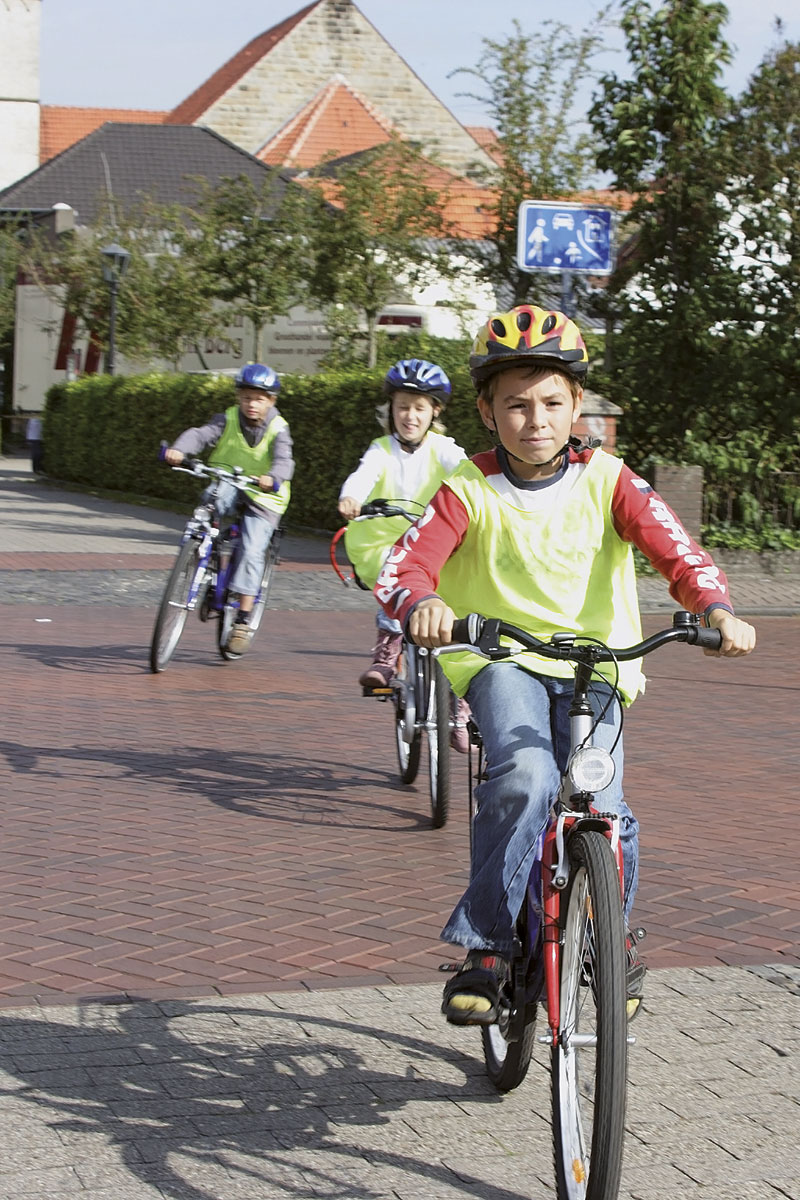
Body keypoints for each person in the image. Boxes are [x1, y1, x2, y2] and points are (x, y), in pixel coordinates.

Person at [375, 305, 756, 1025]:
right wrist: (419, 601)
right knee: (524, 776)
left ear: (576, 404)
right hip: (502, 658)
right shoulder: (467, 487)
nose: (535, 419)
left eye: (551, 402)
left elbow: (677, 552)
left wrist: (716, 609)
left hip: (600, 664)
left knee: (603, 805)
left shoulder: (609, 479)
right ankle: (486, 946)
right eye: (515, 405)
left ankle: (606, 940)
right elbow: (406, 562)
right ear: (487, 413)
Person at [338, 358, 470, 750]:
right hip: (384, 542)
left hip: (433, 542)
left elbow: (466, 472)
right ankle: (386, 654)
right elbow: (363, 473)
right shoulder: (381, 449)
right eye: (402, 407)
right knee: (392, 574)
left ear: (435, 412)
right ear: (390, 410)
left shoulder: (444, 448)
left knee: (460, 606)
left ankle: (460, 706)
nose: (410, 416)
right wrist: (352, 497)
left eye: (419, 408)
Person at [164, 363, 293, 655]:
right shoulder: (228, 419)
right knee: (214, 497)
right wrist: (180, 449)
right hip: (230, 483)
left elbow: (285, 460)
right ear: (238, 397)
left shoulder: (278, 428)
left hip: (265, 497)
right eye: (247, 397)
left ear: (271, 401)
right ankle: (202, 545)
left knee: (251, 549)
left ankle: (243, 621)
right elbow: (201, 434)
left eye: (259, 399)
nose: (252, 404)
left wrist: (274, 477)